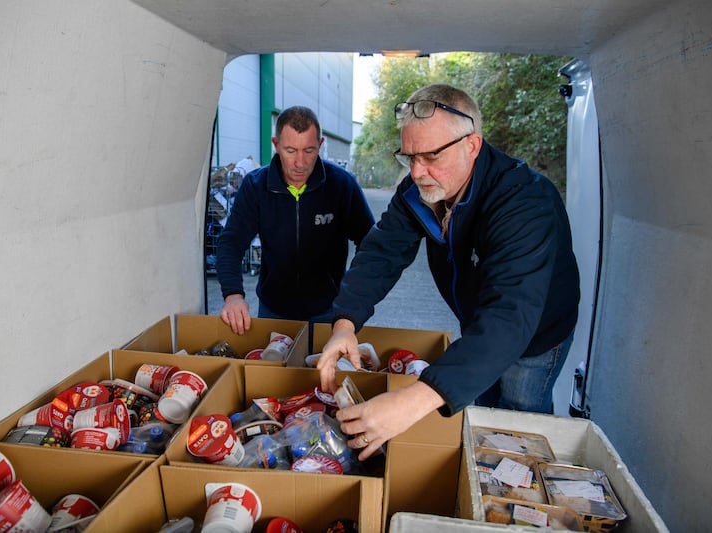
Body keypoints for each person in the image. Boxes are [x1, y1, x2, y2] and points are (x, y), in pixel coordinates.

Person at [316, 84, 580, 460]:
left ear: (471, 145)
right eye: (409, 157)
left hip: (536, 335)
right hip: (480, 326)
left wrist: (412, 401)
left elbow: (509, 319)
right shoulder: (421, 189)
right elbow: (382, 252)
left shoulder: (525, 202)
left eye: (430, 156)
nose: (417, 172)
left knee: (520, 424)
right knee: (482, 407)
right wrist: (345, 322)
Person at [215, 106, 375, 335]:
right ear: (276, 145)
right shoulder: (255, 186)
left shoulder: (342, 185)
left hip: (330, 309)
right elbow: (231, 242)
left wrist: (353, 293)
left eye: (309, 150)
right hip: (274, 310)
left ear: (320, 145)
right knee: (275, 370)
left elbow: (369, 244)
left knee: (325, 370)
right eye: (290, 150)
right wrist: (233, 295)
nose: (300, 162)